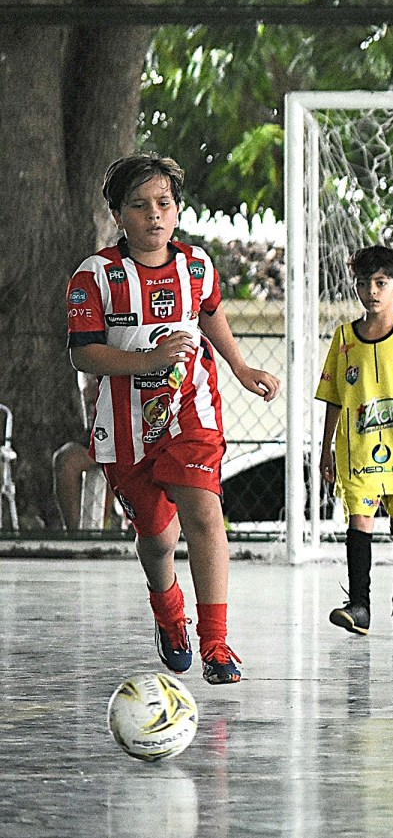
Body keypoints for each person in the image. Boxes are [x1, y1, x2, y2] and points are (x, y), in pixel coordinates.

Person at [66, 153, 280, 684]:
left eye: (163, 203)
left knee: (205, 514)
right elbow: (84, 354)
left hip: (191, 407)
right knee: (158, 539)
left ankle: (216, 644)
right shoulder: (95, 276)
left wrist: (239, 365)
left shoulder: (197, 265)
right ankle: (169, 614)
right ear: (118, 214)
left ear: (178, 209)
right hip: (126, 425)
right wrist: (148, 362)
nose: (153, 215)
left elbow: (210, 315)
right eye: (139, 206)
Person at [316, 245, 393, 635]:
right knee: (360, 520)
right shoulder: (344, 340)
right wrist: (325, 449)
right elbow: (334, 397)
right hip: (358, 452)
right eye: (364, 283)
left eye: (381, 282)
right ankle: (360, 605)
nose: (372, 290)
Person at [53, 372, 119, 530]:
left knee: (115, 457)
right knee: (65, 460)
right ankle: (75, 534)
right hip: (99, 436)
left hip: (134, 435)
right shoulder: (86, 358)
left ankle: (106, 523)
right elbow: (89, 392)